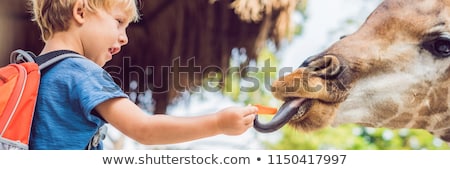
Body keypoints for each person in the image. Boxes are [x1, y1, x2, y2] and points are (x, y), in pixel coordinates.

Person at [28, 0, 258, 150]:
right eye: (119, 22)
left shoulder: (34, 74)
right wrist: (218, 123)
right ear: (80, 12)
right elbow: (145, 129)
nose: (124, 37)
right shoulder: (82, 73)